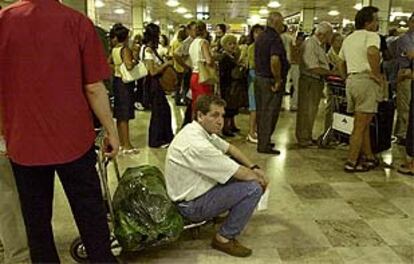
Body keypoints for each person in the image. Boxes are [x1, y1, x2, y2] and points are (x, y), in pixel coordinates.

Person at [0, 0, 119, 263]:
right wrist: (112, 130)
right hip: (74, 140)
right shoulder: (77, 22)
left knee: (37, 224)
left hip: (24, 142)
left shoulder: (3, 20)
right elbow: (94, 88)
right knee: (91, 216)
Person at [165, 95, 267, 258]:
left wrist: (253, 167)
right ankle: (224, 238)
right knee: (253, 188)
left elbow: (230, 149)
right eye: (214, 115)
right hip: (190, 206)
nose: (220, 121)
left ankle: (222, 213)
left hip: (191, 193)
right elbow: (241, 173)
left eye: (222, 115)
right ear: (200, 115)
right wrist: (260, 177)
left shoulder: (198, 130)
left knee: (244, 175)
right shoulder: (198, 144)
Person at [338, 6, 383, 172]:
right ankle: (351, 161)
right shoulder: (371, 36)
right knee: (360, 125)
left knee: (362, 122)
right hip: (366, 81)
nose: (378, 23)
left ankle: (369, 156)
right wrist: (377, 74)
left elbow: (340, 62)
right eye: (376, 20)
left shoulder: (349, 38)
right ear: (368, 22)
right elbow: (372, 52)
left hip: (352, 81)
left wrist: (346, 78)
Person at [254, 12, 290, 154]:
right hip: (269, 81)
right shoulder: (274, 38)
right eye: (281, 23)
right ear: (276, 23)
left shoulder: (261, 36)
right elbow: (274, 60)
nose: (283, 26)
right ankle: (264, 144)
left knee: (262, 112)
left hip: (259, 78)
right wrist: (278, 79)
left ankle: (264, 140)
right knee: (270, 113)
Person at [295, 22, 334, 148]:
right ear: (322, 34)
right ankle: (303, 138)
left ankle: (307, 135)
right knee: (307, 110)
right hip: (310, 81)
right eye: (330, 34)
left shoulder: (319, 45)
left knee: (311, 110)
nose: (331, 37)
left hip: (315, 81)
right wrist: (331, 72)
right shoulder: (310, 44)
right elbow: (312, 67)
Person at [142, 23, 174, 148]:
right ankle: (156, 140)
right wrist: (166, 64)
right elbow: (152, 71)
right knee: (159, 112)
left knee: (163, 110)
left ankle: (164, 137)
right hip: (153, 84)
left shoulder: (149, 49)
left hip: (153, 84)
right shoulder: (148, 50)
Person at [109, 23, 140, 154]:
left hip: (117, 82)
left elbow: (108, 63)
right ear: (126, 37)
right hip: (125, 84)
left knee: (119, 114)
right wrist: (135, 60)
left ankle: (122, 143)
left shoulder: (114, 49)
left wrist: (116, 69)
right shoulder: (125, 50)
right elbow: (128, 66)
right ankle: (127, 144)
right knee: (125, 115)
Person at [396, 13, 414, 175]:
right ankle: (402, 135)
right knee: (405, 108)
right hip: (406, 75)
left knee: (409, 112)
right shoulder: (405, 38)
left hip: (409, 74)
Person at [218, 35, 244, 137]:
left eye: (234, 43)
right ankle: (226, 127)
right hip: (227, 85)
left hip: (232, 85)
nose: (232, 46)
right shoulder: (225, 58)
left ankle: (232, 125)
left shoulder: (232, 56)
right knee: (228, 107)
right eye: (230, 44)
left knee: (233, 106)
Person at [174, 21, 197, 126]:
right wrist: (186, 66)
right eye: (194, 29)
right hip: (190, 72)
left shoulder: (197, 41)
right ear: (188, 31)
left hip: (194, 72)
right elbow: (176, 54)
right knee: (190, 98)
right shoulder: (188, 42)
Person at [189, 21, 215, 110]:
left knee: (195, 104)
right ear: (204, 30)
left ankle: (194, 122)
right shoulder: (203, 42)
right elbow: (208, 60)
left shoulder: (192, 43)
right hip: (203, 76)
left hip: (194, 76)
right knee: (205, 105)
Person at [246, 24, 265, 144]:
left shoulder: (263, 46)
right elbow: (252, 65)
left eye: (260, 32)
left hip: (260, 78)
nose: (258, 34)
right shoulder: (252, 47)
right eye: (256, 32)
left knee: (259, 108)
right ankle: (251, 132)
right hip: (254, 78)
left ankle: (256, 130)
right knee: (254, 108)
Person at [289, 33, 306, 111]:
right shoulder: (294, 48)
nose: (301, 42)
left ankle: (296, 103)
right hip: (295, 67)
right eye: (299, 40)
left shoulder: (302, 48)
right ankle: (294, 104)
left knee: (298, 86)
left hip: (298, 67)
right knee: (297, 86)